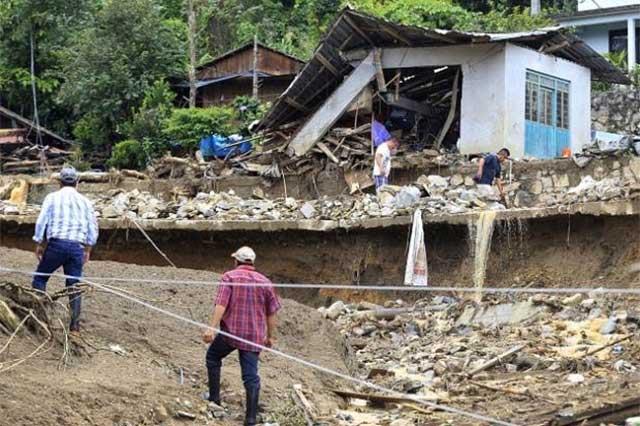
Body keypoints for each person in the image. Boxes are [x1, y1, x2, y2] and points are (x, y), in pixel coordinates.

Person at [202, 246, 281, 426]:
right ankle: (251, 419)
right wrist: (271, 337)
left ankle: (214, 399)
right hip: (253, 336)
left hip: (231, 332)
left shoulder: (229, 277)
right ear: (252, 262)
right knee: (251, 376)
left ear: (236, 261)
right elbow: (271, 313)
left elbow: (221, 304)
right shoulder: (265, 282)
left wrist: (211, 329)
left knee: (213, 357)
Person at [32, 166, 98, 333]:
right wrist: (88, 249)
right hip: (77, 247)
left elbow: (42, 221)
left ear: (59, 182)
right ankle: (74, 327)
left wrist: (39, 243)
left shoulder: (52, 197)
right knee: (73, 285)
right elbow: (93, 227)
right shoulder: (85, 202)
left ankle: (40, 320)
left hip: (56, 245)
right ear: (77, 182)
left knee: (40, 279)